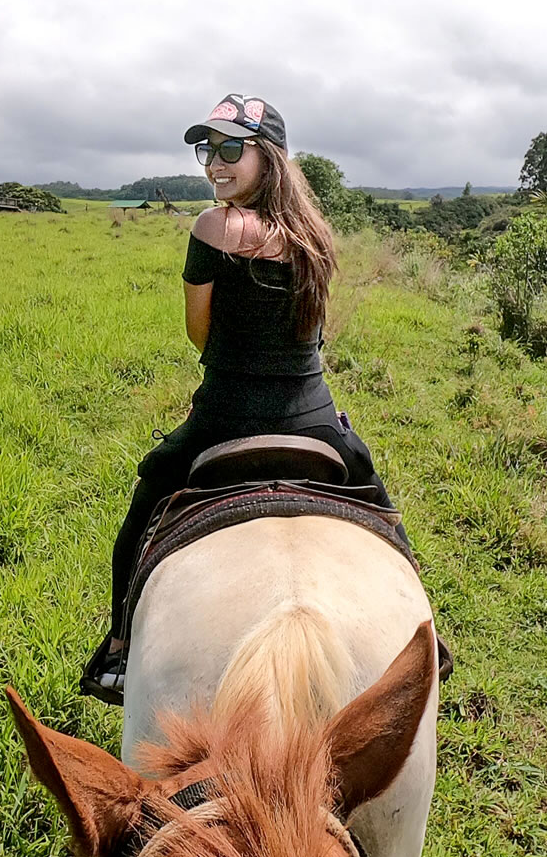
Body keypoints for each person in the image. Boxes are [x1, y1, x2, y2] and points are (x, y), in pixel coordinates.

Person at [80, 94, 394, 705]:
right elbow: (313, 332)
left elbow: (198, 331)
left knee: (144, 508)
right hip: (313, 415)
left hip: (224, 415)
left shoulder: (213, 226)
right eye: (208, 149)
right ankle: (424, 634)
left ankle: (119, 647)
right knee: (378, 501)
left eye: (230, 148)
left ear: (267, 155)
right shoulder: (314, 233)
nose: (214, 164)